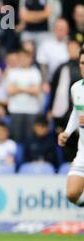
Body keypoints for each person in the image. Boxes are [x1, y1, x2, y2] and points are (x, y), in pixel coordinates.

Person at [59, 49, 84, 207]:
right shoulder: (76, 88)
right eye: (82, 63)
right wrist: (67, 132)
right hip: (83, 151)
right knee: (72, 194)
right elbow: (77, 111)